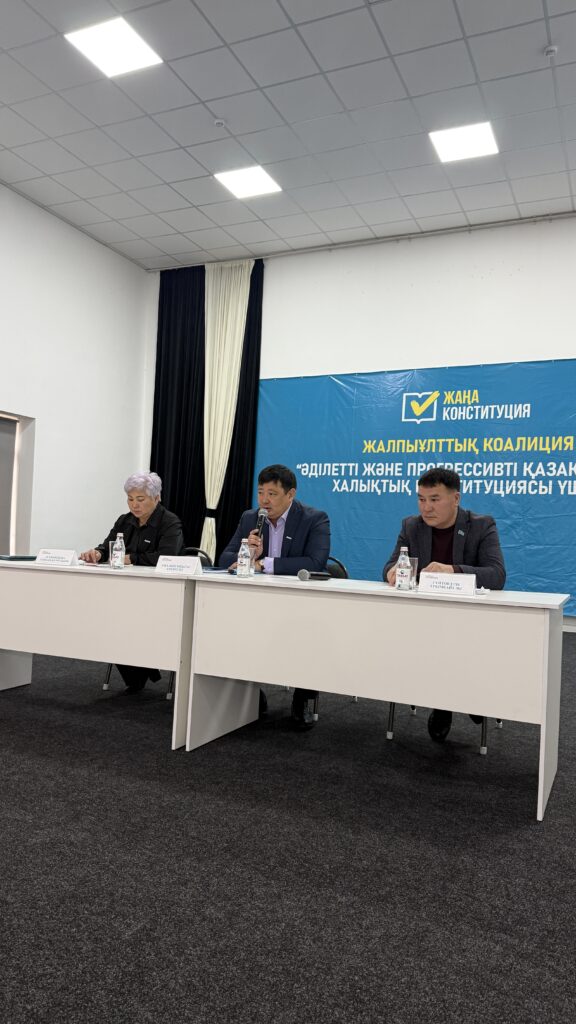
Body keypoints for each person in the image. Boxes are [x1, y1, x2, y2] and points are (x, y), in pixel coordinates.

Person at [382, 466, 506, 743]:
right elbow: (389, 566)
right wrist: (393, 571)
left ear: (456, 499)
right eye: (421, 499)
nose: (426, 507)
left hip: (470, 621)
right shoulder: (411, 526)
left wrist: (453, 571)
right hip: (425, 621)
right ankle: (447, 702)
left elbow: (497, 575)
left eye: (434, 499)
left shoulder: (482, 526)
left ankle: (462, 697)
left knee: (454, 644)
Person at [219, 464, 330, 729]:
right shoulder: (250, 518)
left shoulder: (314, 518)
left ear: (290, 494)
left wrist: (263, 564)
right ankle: (252, 693)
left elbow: (315, 562)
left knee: (307, 638)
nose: (264, 501)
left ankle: (302, 698)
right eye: (260, 493)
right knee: (236, 630)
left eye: (272, 494)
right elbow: (224, 558)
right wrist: (245, 554)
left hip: (300, 602)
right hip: (257, 602)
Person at [80, 472, 184, 691]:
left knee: (131, 620)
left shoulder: (169, 522)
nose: (134, 505)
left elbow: (167, 557)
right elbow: (108, 547)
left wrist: (132, 558)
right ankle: (138, 673)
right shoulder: (124, 520)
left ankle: (143, 668)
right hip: (126, 590)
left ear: (156, 498)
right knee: (108, 618)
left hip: (159, 592)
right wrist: (98, 554)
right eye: (130, 499)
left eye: (140, 499)